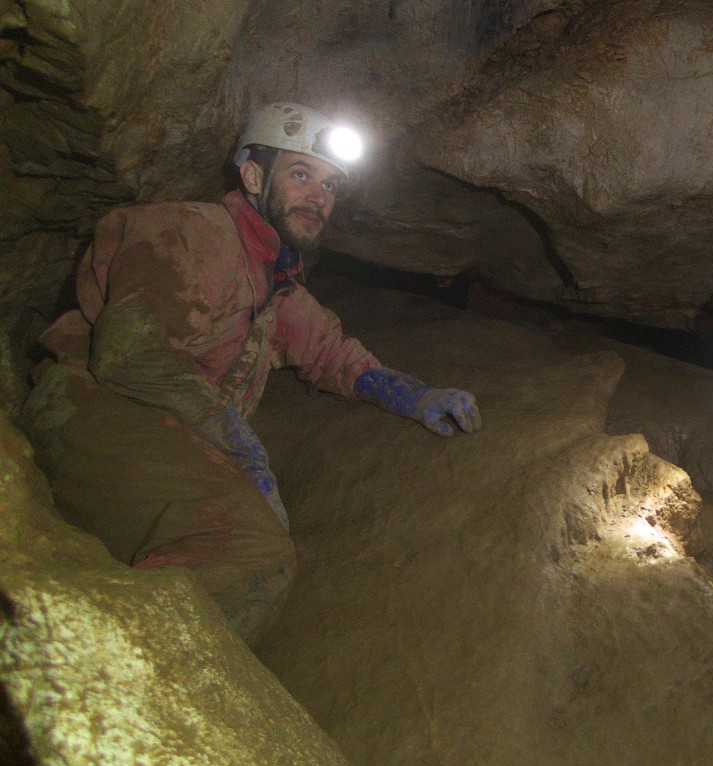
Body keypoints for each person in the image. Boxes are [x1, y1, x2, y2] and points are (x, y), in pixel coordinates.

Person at [18, 102, 481, 645]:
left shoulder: (274, 282)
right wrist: (240, 445)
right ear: (254, 177)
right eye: (301, 175)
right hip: (92, 407)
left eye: (330, 185)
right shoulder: (192, 232)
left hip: (160, 432)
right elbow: (131, 355)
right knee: (250, 550)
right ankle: (109, 666)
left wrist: (414, 396)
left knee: (256, 546)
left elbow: (331, 353)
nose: (319, 197)